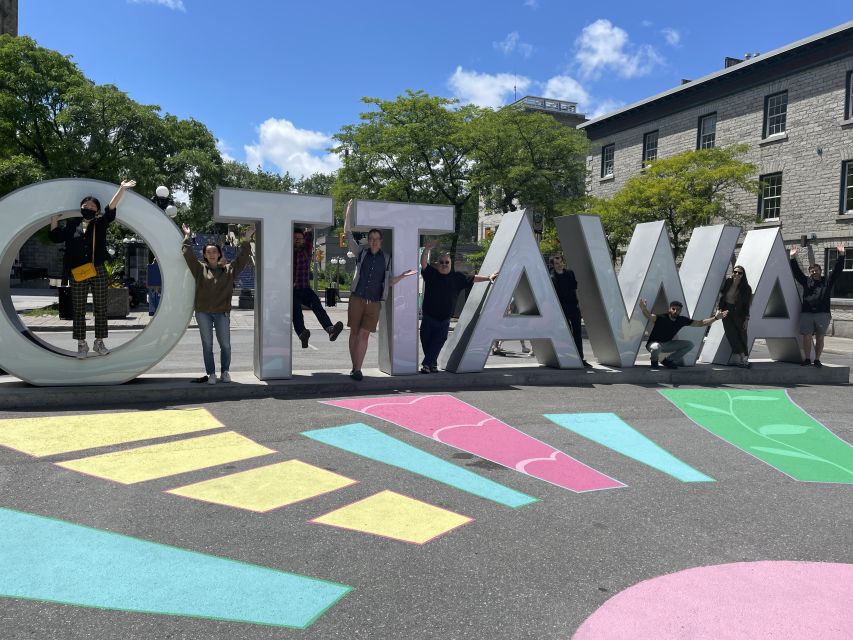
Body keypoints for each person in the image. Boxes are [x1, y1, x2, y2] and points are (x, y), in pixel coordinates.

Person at [49, 179, 136, 359]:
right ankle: (81, 344)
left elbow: (110, 208)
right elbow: (56, 237)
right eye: (84, 205)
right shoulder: (72, 224)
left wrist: (121, 189)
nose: (87, 207)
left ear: (96, 210)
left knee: (101, 307)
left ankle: (99, 342)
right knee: (78, 308)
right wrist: (54, 219)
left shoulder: (100, 223)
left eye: (91, 205)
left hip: (98, 268)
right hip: (78, 270)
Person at [343, 200, 416, 380]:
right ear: (368, 241)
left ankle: (357, 369)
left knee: (364, 335)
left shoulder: (387, 258)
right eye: (371, 238)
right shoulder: (361, 252)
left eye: (377, 239)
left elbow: (387, 282)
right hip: (357, 298)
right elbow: (347, 235)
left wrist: (403, 277)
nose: (374, 241)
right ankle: (355, 367)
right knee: (354, 333)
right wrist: (348, 212)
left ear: (381, 241)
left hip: (374, 303)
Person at [182, 223, 255, 385]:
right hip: (203, 313)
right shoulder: (199, 269)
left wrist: (247, 238)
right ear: (205, 255)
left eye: (214, 251)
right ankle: (211, 374)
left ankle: (225, 372)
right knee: (207, 345)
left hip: (222, 313)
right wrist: (187, 235)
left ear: (219, 253)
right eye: (208, 252)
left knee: (225, 345)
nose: (212, 254)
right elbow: (187, 254)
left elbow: (243, 258)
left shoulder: (229, 270)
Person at [419, 239, 497, 373]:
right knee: (426, 342)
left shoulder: (457, 278)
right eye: (441, 262)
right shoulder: (431, 274)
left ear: (450, 264)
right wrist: (427, 250)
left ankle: (426, 365)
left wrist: (488, 277)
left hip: (444, 320)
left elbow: (473, 278)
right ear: (437, 264)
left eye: (447, 262)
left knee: (437, 343)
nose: (444, 264)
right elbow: (424, 263)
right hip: (428, 318)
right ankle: (432, 364)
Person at [789, 244, 845, 367]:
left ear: (820, 271)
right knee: (807, 337)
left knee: (820, 337)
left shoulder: (827, 282)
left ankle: (817, 359)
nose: (814, 272)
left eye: (816, 270)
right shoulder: (806, 282)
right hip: (807, 314)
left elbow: (836, 271)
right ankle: (808, 359)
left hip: (822, 314)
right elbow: (797, 273)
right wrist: (792, 258)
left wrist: (841, 255)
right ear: (810, 273)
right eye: (812, 271)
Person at [291, 226, 344, 348]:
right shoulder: (288, 252)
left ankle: (330, 329)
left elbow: (309, 235)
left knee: (317, 306)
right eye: (295, 238)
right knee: (296, 312)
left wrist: (309, 229)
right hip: (292, 291)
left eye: (300, 238)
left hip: (305, 288)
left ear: (303, 240)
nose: (298, 240)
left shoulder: (306, 251)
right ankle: (302, 333)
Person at [638, 298, 727, 369]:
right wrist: (643, 309)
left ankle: (668, 360)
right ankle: (654, 362)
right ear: (669, 309)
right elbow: (649, 316)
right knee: (656, 347)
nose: (675, 311)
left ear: (680, 311)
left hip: (667, 344)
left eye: (678, 310)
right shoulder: (661, 317)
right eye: (673, 309)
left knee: (689, 344)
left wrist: (715, 318)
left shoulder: (682, 320)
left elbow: (701, 323)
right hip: (653, 344)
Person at [550, 255, 591, 368]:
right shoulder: (551, 278)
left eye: (561, 262)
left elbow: (575, 290)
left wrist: (580, 305)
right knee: (565, 334)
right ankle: (566, 358)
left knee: (577, 333)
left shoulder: (570, 273)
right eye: (557, 263)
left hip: (573, 307)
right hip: (561, 309)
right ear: (553, 265)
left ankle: (580, 358)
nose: (560, 265)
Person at [716, 265, 753, 368]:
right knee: (731, 334)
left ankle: (744, 359)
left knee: (742, 335)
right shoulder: (728, 282)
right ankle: (742, 358)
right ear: (732, 272)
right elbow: (722, 297)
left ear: (743, 275)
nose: (737, 274)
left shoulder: (746, 288)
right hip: (726, 310)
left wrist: (746, 319)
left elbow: (746, 305)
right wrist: (719, 309)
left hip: (739, 313)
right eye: (735, 272)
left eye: (739, 273)